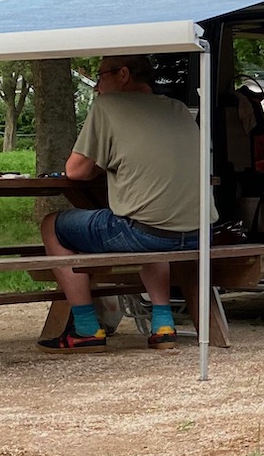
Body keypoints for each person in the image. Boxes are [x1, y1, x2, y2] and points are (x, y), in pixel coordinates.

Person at [38, 55, 201, 352]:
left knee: (52, 225)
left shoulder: (108, 106)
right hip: (197, 232)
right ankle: (163, 325)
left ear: (123, 74)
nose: (97, 87)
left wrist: (103, 163)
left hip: (145, 232)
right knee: (155, 218)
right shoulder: (177, 109)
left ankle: (86, 328)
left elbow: (76, 171)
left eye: (100, 77)